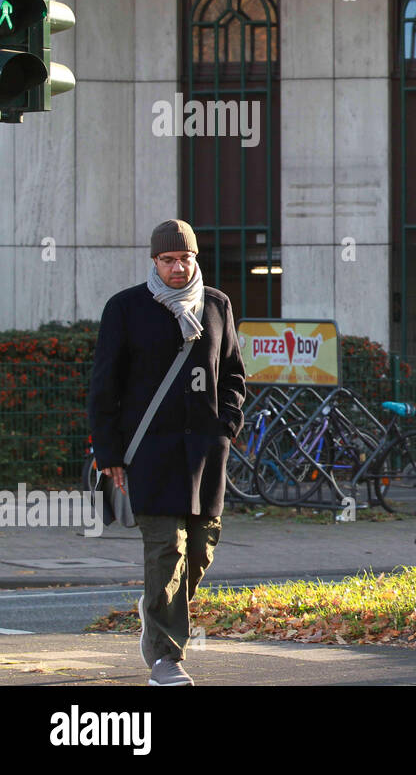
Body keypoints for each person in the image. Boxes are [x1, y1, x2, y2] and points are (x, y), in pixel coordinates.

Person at [87, 219, 246, 686]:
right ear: (154, 261)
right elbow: (104, 386)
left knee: (200, 550)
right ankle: (165, 658)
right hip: (150, 453)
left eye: (186, 258)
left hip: (205, 453)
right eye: (168, 260)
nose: (178, 267)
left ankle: (156, 605)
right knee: (166, 553)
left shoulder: (217, 305)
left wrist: (228, 425)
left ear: (196, 258)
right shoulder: (125, 308)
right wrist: (109, 451)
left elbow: (234, 373)